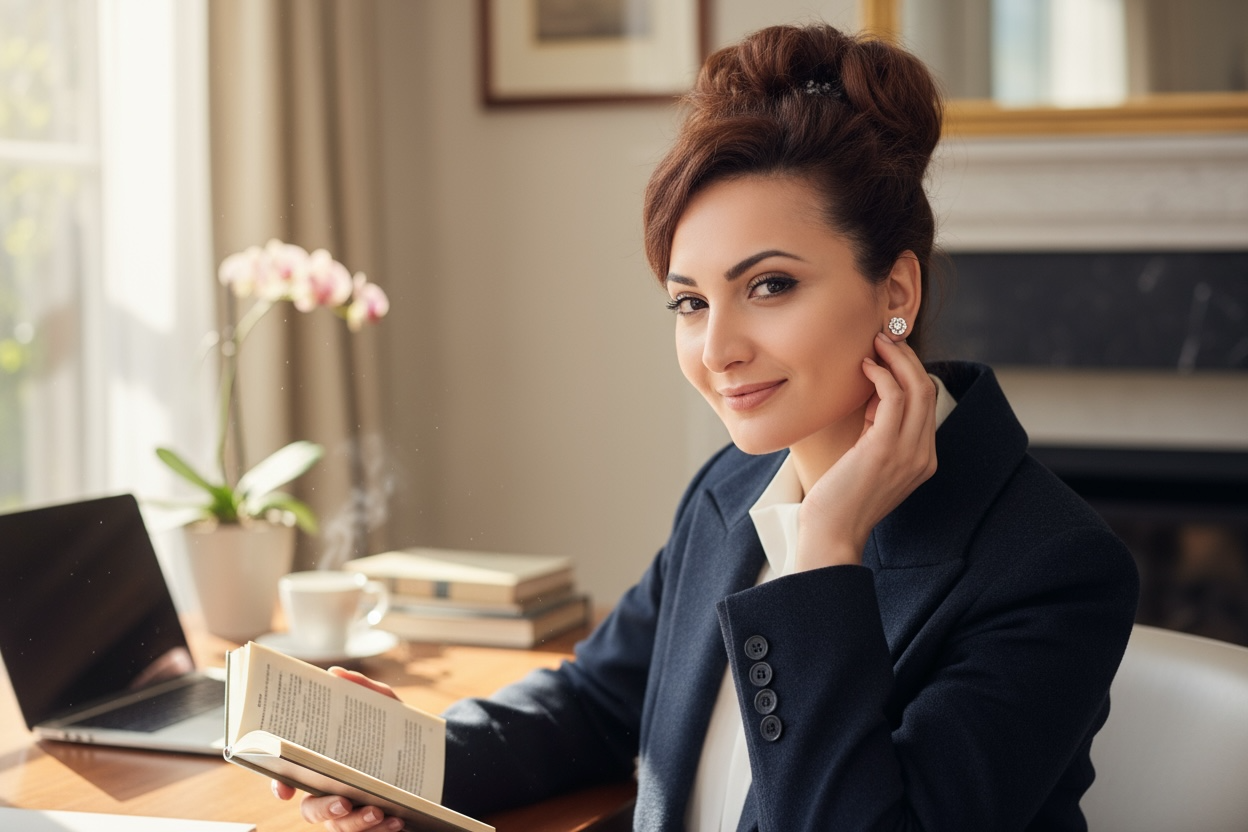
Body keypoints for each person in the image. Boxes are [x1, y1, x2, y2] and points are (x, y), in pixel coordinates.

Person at [278, 22, 1139, 831]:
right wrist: (403, 757)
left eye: (769, 286)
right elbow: (601, 703)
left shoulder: (1051, 568)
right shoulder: (732, 491)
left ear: (896, 294)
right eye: (691, 302)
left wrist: (826, 545)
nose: (718, 349)